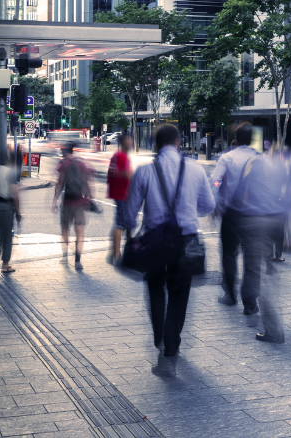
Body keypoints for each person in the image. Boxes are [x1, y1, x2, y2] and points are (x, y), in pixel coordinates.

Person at [120, 124, 215, 375]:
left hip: (154, 241)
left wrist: (131, 230)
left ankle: (159, 335)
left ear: (156, 145)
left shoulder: (144, 172)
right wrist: (187, 208)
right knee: (180, 291)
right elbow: (207, 206)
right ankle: (172, 343)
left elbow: (130, 213)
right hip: (185, 240)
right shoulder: (195, 170)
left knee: (155, 288)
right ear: (177, 142)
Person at [211, 124, 262, 316]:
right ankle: (250, 303)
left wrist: (215, 205)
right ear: (251, 139)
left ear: (237, 139)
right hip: (255, 213)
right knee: (252, 258)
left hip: (231, 213)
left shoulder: (227, 157)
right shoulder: (259, 158)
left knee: (229, 254)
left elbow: (215, 181)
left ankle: (230, 295)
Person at [54, 143, 96, 269]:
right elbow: (86, 182)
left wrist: (54, 201)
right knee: (79, 231)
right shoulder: (81, 164)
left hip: (67, 202)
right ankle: (78, 261)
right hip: (79, 202)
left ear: (64, 152)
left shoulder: (63, 165)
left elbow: (60, 184)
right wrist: (90, 198)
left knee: (65, 229)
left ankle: (65, 256)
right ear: (73, 152)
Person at [107, 132, 135, 263]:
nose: (131, 143)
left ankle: (115, 252)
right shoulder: (122, 157)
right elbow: (123, 173)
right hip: (122, 193)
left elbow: (110, 174)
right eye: (129, 141)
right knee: (120, 224)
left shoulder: (116, 156)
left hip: (118, 193)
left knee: (125, 223)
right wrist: (134, 175)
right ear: (124, 142)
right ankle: (117, 256)